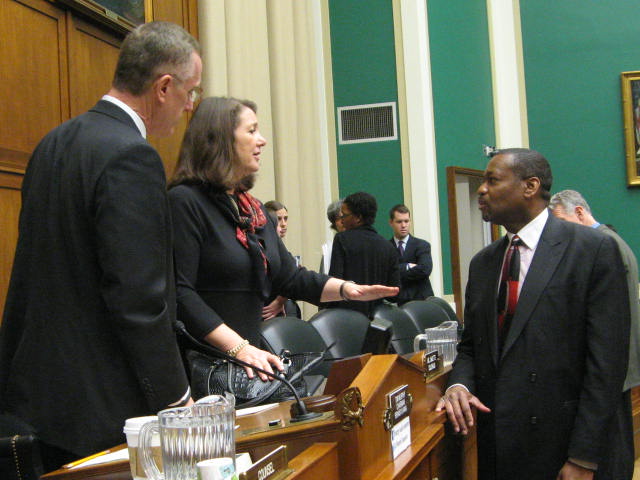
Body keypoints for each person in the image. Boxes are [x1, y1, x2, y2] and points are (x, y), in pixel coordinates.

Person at [0, 22, 202, 470]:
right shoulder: (133, 155)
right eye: (190, 92)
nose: (190, 106)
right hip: (100, 407)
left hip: (37, 398)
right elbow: (137, 299)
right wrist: (177, 397)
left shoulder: (52, 143)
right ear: (163, 87)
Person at [167, 97, 398, 381]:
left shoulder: (252, 209)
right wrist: (238, 347)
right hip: (205, 364)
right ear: (221, 140)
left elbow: (290, 277)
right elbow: (181, 293)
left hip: (249, 361)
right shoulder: (185, 201)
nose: (261, 140)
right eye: (251, 131)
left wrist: (348, 289)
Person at [436, 148, 632, 479]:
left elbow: (607, 364)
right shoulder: (483, 263)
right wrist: (459, 385)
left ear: (530, 186)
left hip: (565, 446)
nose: (482, 190)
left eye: (492, 180)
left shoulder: (592, 249)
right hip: (503, 448)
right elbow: (471, 347)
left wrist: (584, 458)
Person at [550, 189, 640, 395]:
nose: (561, 231)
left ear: (580, 212)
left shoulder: (604, 247)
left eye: (564, 221)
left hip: (613, 365)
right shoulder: (609, 241)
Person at [324, 192, 400, 317]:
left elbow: (335, 284)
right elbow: (394, 294)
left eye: (344, 215)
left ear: (358, 217)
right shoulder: (388, 247)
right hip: (379, 319)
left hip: (347, 317)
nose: (342, 220)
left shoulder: (342, 239)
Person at [388, 204, 434, 304]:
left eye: (406, 221)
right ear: (391, 223)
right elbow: (385, 273)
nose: (403, 225)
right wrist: (407, 266)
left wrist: (396, 271)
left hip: (422, 300)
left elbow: (425, 270)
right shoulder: (385, 248)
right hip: (397, 302)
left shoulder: (422, 245)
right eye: (399, 222)